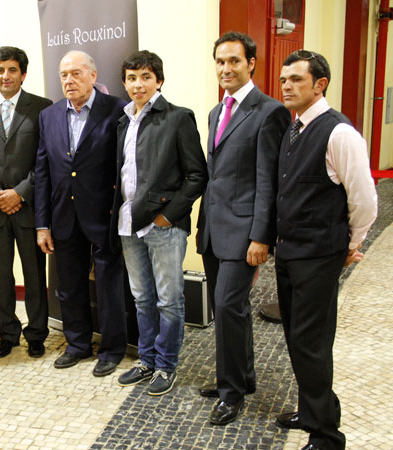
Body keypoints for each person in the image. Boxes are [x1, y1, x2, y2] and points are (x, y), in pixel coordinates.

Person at [275, 50, 377, 450]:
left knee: (311, 343)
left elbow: (364, 199)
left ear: (320, 85)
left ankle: (326, 436)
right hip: (291, 252)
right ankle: (311, 410)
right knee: (297, 338)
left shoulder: (339, 133)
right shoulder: (294, 127)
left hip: (319, 254)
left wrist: (351, 243)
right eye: (284, 79)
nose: (286, 86)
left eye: (296, 79)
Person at [196, 31, 291, 425]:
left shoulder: (269, 112)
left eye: (234, 61)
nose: (226, 68)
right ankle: (241, 376)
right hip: (213, 229)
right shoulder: (216, 112)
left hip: (244, 233)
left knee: (227, 306)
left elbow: (268, 180)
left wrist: (261, 236)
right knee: (230, 309)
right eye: (220, 61)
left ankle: (231, 392)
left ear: (251, 63)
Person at [112, 51, 207, 395]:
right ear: (124, 83)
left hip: (162, 225)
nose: (138, 84)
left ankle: (166, 365)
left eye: (146, 77)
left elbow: (197, 175)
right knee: (142, 298)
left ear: (159, 81)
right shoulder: (123, 121)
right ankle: (147, 360)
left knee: (169, 300)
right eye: (131, 78)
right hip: (128, 223)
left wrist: (167, 217)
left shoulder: (178, 117)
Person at [35, 50, 127, 377]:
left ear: (93, 75)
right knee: (70, 286)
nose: (69, 80)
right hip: (64, 215)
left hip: (103, 215)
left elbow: (124, 166)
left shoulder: (117, 109)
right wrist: (42, 224)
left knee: (108, 287)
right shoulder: (49, 116)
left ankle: (112, 349)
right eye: (64, 75)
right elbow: (43, 171)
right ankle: (77, 345)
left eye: (76, 73)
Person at [0, 46, 52, 358]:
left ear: (23, 74)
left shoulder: (42, 108)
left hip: (29, 207)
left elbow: (46, 159)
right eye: (0, 70)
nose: (6, 76)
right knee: (0, 276)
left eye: (12, 70)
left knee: (34, 275)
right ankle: (7, 333)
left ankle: (37, 334)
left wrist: (20, 192)